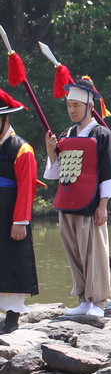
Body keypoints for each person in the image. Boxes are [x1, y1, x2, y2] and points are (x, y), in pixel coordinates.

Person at [44, 76, 111, 318]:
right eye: (69, 105)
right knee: (74, 250)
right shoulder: (66, 134)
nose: (72, 110)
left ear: (89, 107)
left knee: (94, 252)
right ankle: (83, 298)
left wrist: (103, 206)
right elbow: (56, 173)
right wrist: (50, 151)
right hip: (68, 200)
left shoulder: (101, 134)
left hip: (91, 203)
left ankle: (98, 301)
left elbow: (109, 172)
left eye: (76, 105)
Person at [0, 90, 38, 334]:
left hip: (11, 214)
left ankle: (13, 318)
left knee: (14, 261)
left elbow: (27, 188)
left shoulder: (22, 148)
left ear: (5, 119)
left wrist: (20, 221)